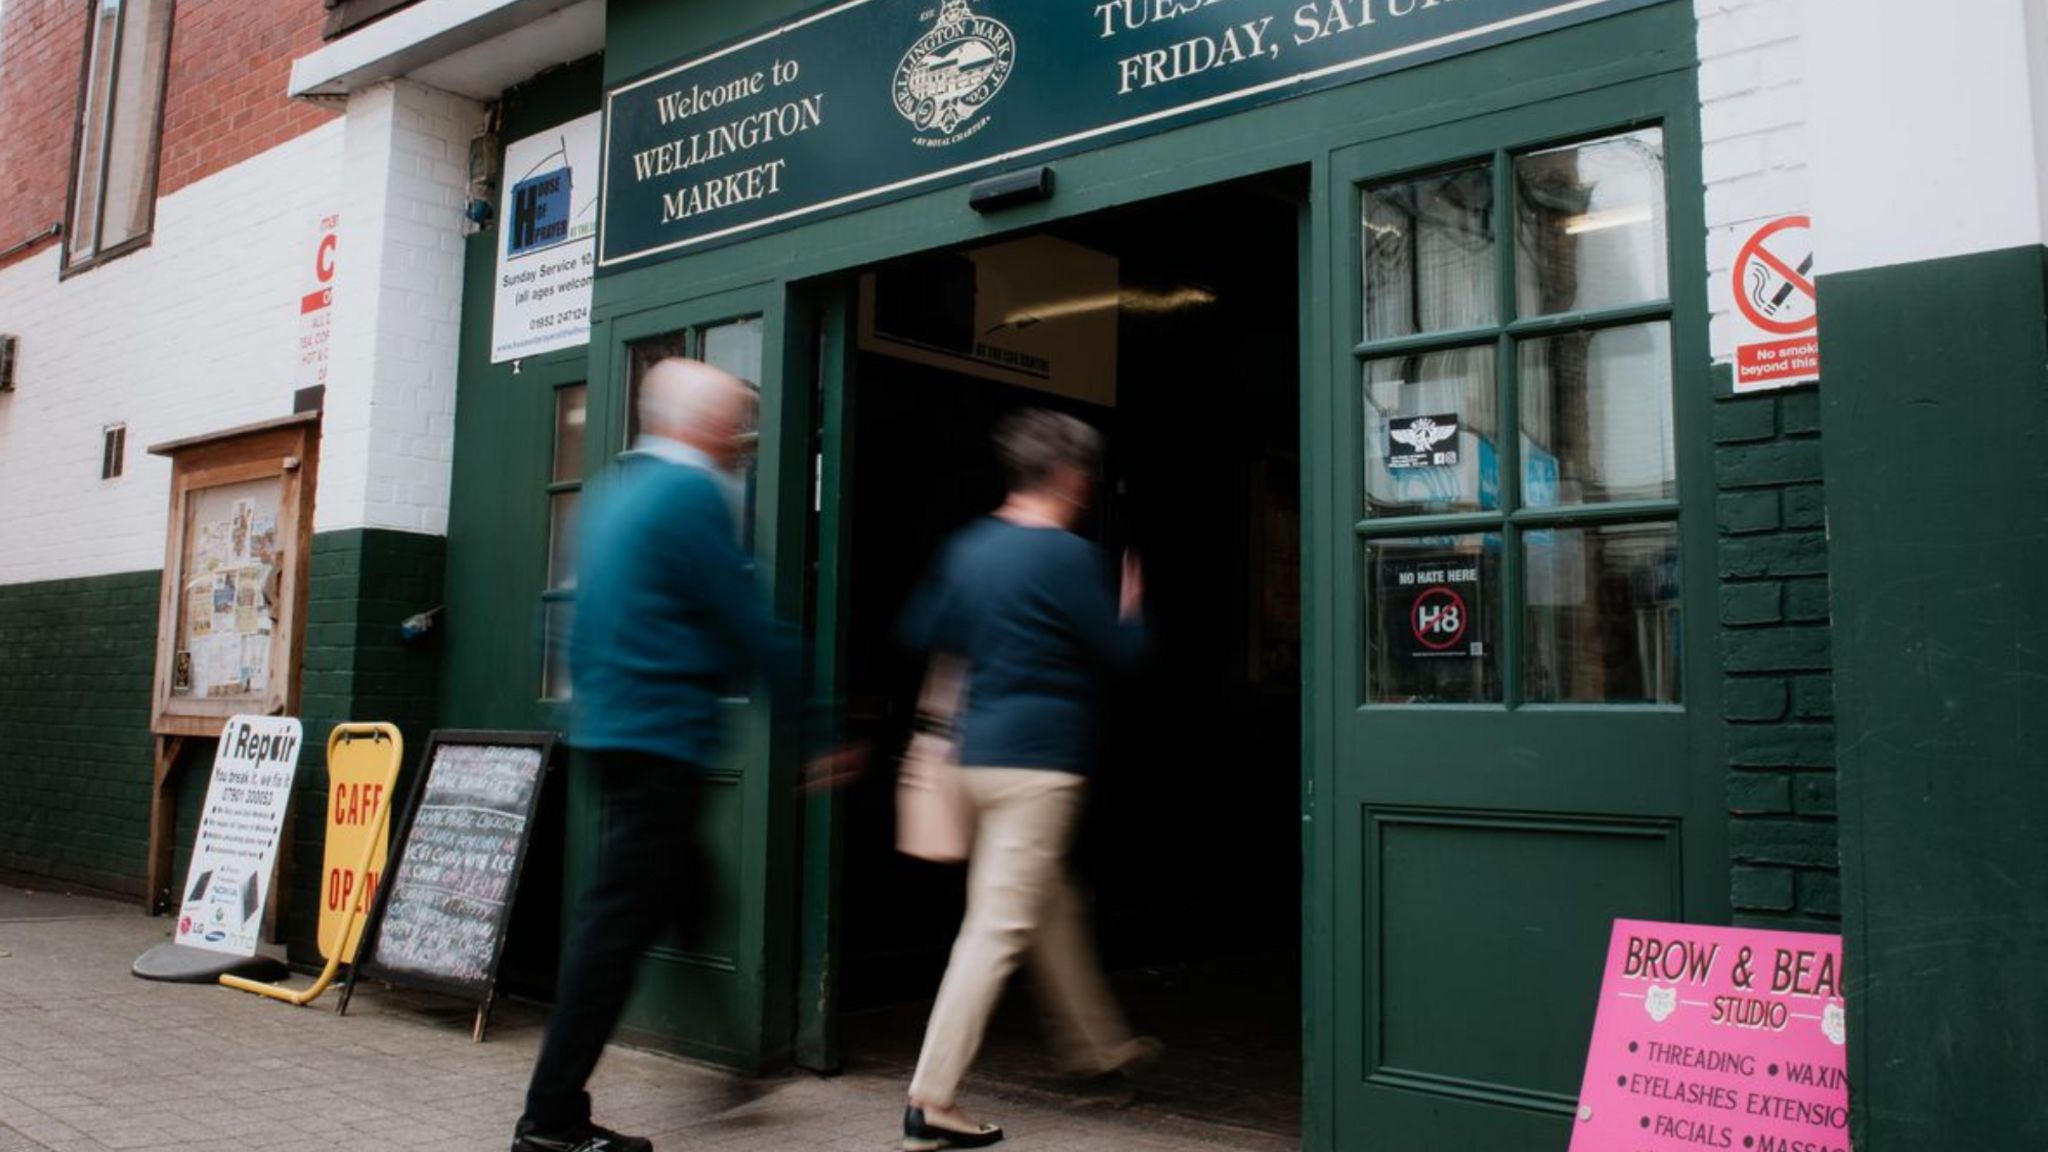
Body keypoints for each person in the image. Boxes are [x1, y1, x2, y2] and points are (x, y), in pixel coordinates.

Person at [513, 358, 851, 1152]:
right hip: (659, 741)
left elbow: (561, 619)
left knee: (690, 894)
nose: (744, 438)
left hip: (615, 736)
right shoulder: (694, 493)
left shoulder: (616, 494)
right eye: (737, 421)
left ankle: (735, 1070)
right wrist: (816, 729)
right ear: (699, 425)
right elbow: (748, 620)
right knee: (614, 937)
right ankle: (550, 1120)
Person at [897, 408, 1156, 1152]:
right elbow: (1120, 657)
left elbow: (923, 635)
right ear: (1071, 477)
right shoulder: (1067, 557)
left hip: (974, 756)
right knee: (997, 927)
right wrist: (1131, 610)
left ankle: (1096, 1046)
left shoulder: (969, 548)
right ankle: (931, 1099)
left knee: (1050, 903)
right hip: (1038, 766)